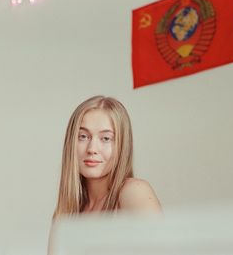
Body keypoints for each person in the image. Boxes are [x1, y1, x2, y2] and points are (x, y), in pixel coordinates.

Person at [48, 95, 161, 254]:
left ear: (122, 146)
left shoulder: (134, 191)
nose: (92, 148)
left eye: (106, 138)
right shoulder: (64, 212)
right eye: (83, 136)